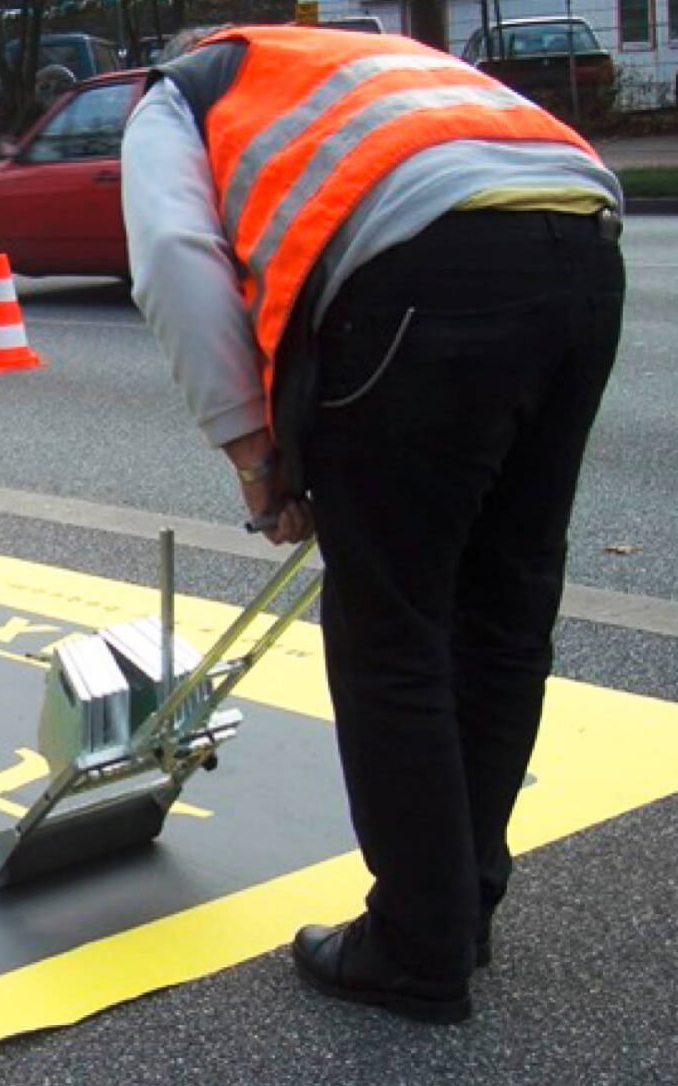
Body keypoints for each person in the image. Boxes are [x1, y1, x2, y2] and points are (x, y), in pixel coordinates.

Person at [121, 25, 624, 1023]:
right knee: (506, 612)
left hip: (423, 274)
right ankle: (460, 904)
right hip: (585, 248)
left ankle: (416, 948)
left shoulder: (184, 91)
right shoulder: (356, 59)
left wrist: (259, 462)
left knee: (391, 629)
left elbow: (176, 255)